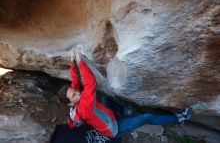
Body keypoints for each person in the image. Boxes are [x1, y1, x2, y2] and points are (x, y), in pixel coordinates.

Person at [62, 47, 192, 138]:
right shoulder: (84, 107)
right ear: (70, 104)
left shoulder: (75, 101)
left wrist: (73, 62)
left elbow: (76, 83)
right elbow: (90, 83)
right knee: (145, 117)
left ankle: (127, 111)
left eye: (74, 92)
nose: (77, 93)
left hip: (110, 116)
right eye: (74, 95)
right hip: (114, 128)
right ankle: (181, 117)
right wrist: (80, 61)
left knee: (105, 100)